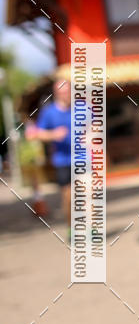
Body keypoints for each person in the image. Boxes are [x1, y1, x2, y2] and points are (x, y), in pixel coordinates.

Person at [36, 79, 71, 233]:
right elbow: (38, 133)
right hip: (62, 160)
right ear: (56, 94)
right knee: (69, 197)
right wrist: (53, 134)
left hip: (83, 158)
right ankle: (72, 227)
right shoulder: (49, 112)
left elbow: (95, 125)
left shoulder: (81, 108)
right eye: (63, 92)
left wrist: (91, 136)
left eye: (68, 91)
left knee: (87, 194)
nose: (66, 95)